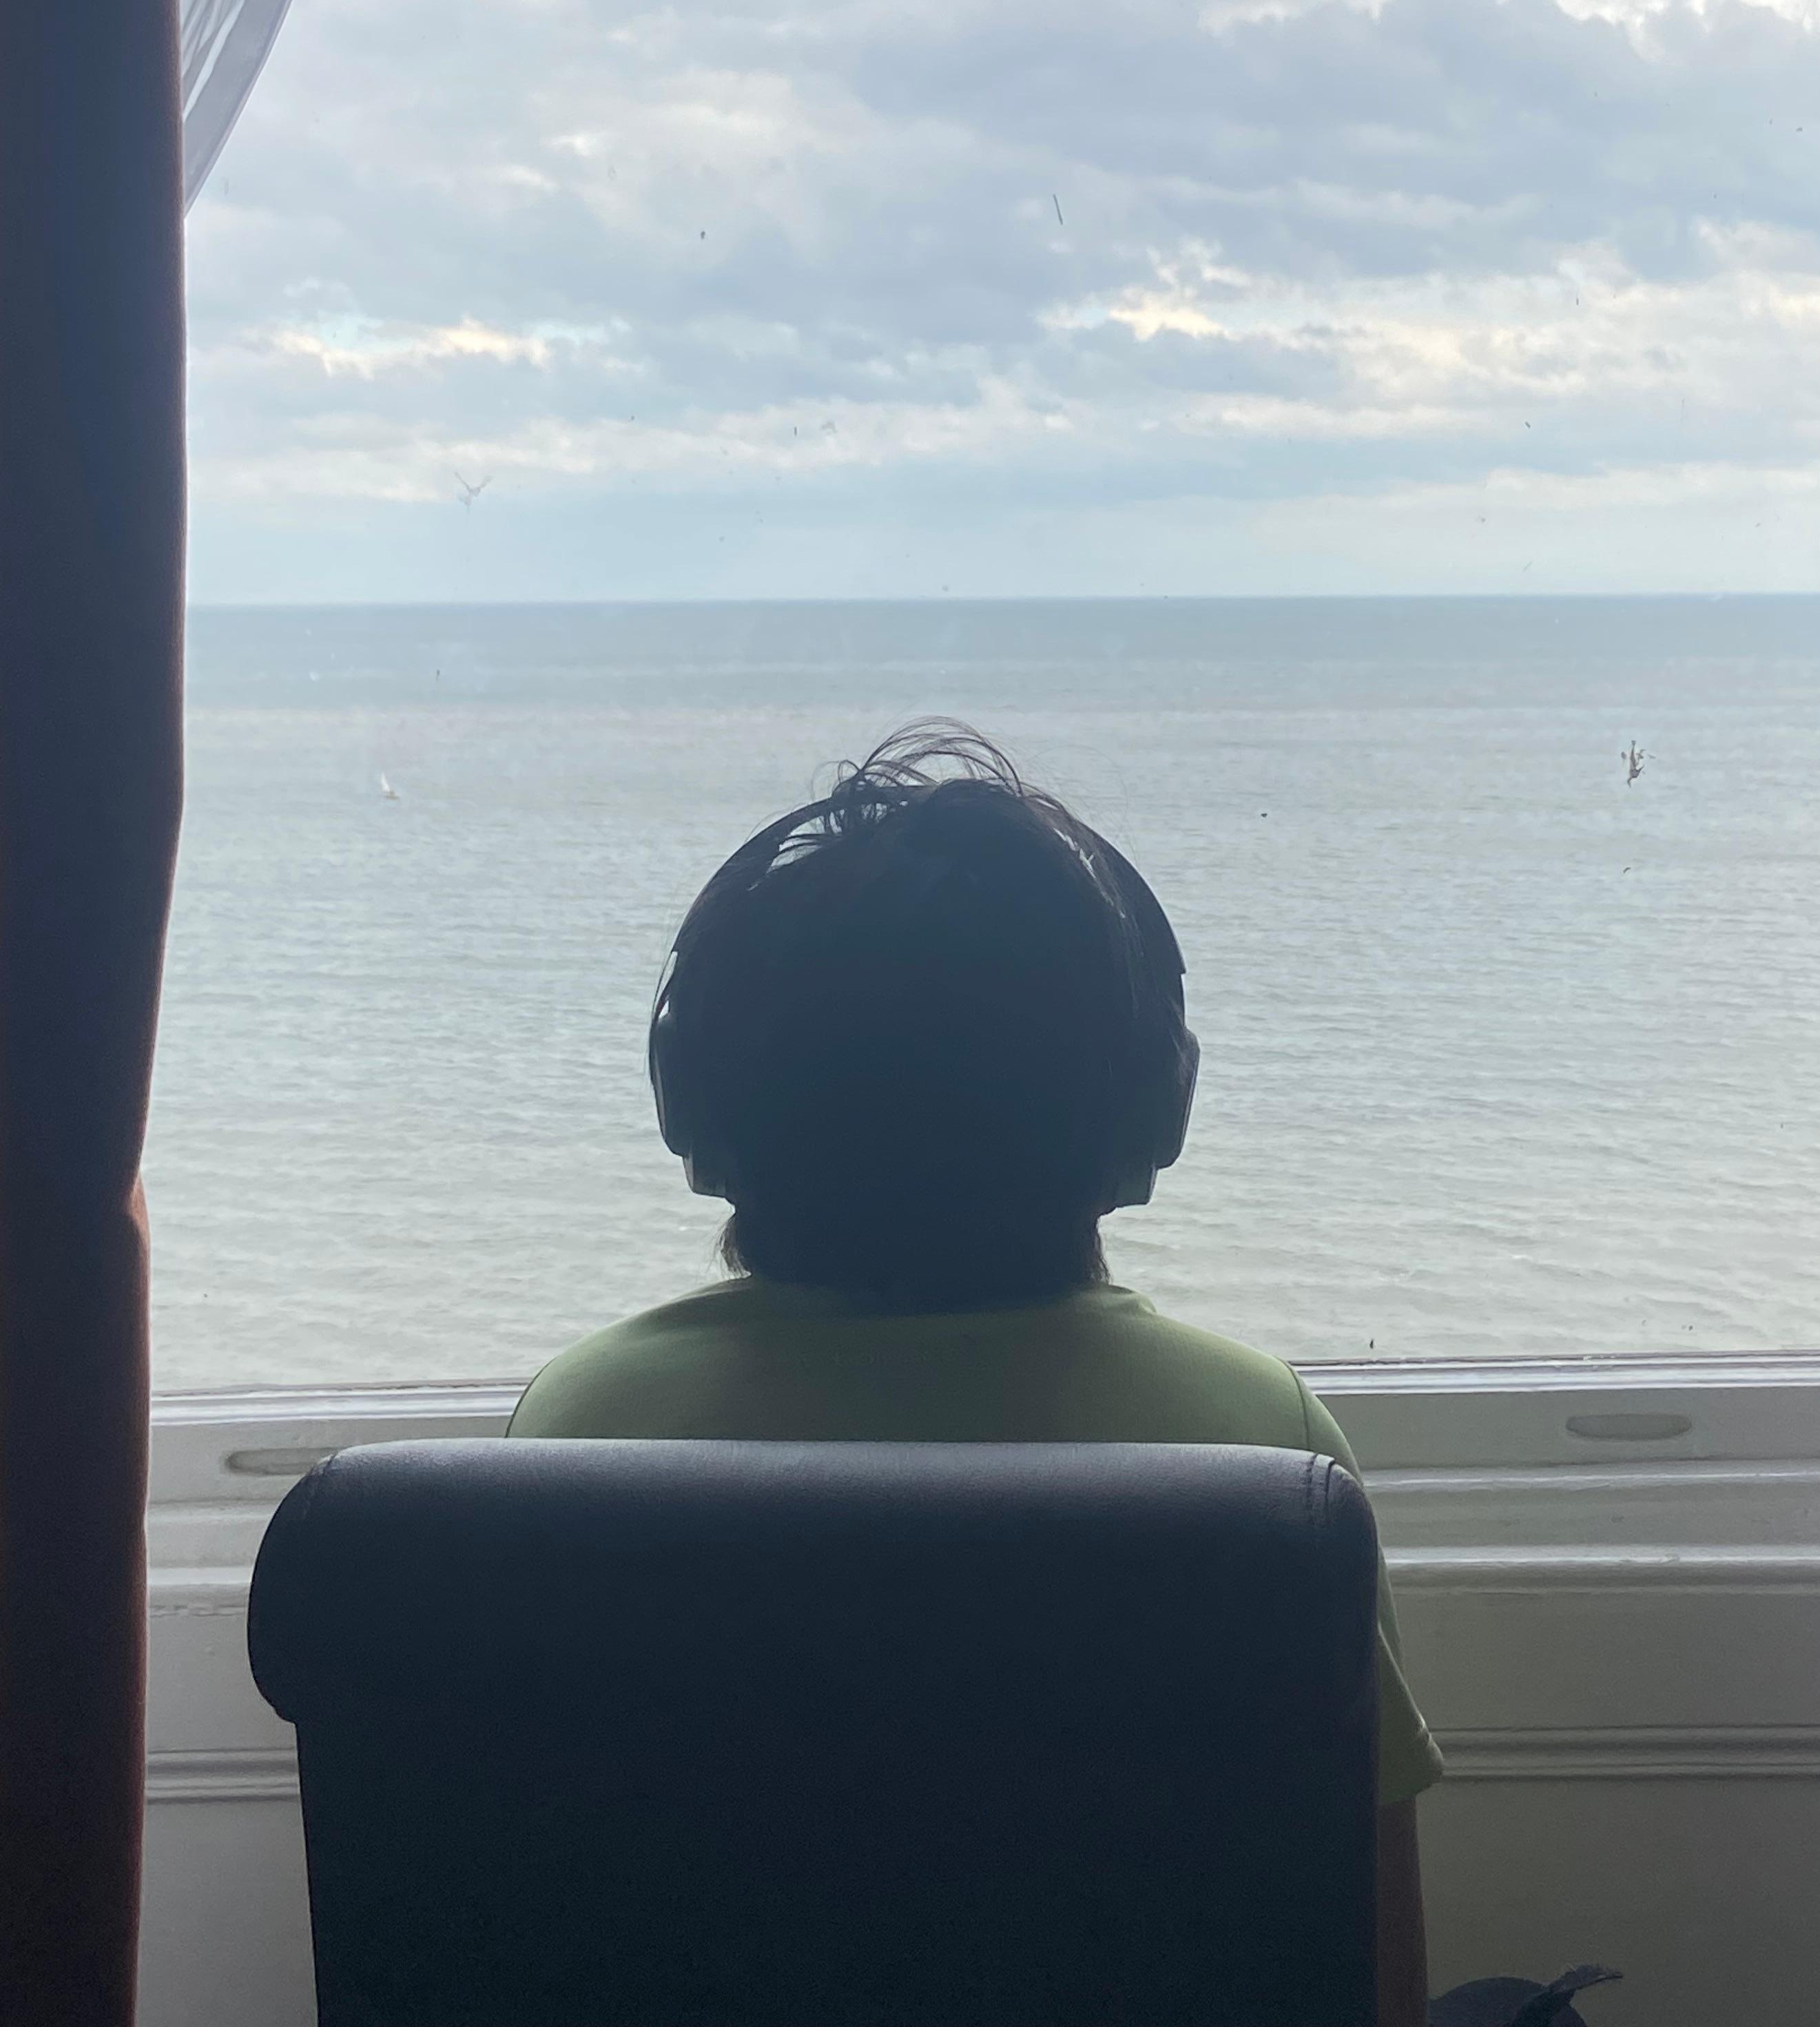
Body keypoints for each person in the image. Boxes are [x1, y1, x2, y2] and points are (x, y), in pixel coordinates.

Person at [513, 726, 1442, 2027]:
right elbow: (1367, 1974)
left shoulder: (579, 1433)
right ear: (1153, 1109)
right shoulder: (1262, 1453)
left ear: (693, 1107)